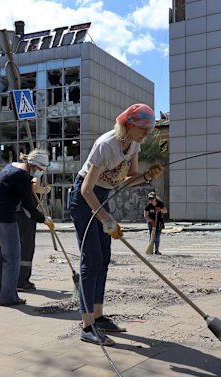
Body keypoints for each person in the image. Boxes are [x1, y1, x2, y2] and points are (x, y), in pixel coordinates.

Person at [70, 103, 164, 346]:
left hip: (103, 197)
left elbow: (127, 179)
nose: (145, 133)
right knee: (91, 261)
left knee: (103, 259)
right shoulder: (106, 145)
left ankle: (99, 317)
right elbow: (86, 189)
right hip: (84, 200)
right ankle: (87, 325)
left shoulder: (134, 144)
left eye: (148, 129)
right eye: (142, 128)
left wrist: (146, 176)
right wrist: (107, 220)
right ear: (128, 125)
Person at [0, 149, 54, 306]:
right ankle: (8, 297)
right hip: (5, 218)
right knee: (12, 258)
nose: (40, 173)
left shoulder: (10, 167)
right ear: (35, 166)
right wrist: (44, 219)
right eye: (41, 170)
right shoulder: (22, 177)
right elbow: (29, 206)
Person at [16, 175, 51, 292]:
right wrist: (45, 190)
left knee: (22, 246)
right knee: (27, 247)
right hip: (26, 214)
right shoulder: (34, 173)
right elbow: (34, 187)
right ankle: (21, 281)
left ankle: (20, 279)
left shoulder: (22, 173)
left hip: (20, 212)